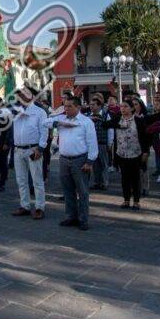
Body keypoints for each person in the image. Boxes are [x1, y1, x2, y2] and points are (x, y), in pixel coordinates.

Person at [49, 96, 98, 228]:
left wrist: (90, 161)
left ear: (78, 107)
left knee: (82, 191)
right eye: (65, 106)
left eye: (69, 106)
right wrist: (57, 121)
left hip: (80, 159)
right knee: (67, 190)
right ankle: (71, 216)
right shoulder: (61, 119)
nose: (66, 109)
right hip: (64, 159)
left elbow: (92, 143)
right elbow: (44, 122)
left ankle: (83, 219)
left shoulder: (86, 122)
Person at [8, 88, 49, 220]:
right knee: (21, 180)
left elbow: (44, 132)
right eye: (19, 95)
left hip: (33, 149)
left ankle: (39, 207)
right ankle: (24, 205)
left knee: (37, 180)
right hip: (18, 149)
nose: (21, 97)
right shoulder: (16, 111)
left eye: (24, 94)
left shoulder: (39, 112)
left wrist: (41, 148)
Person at [109, 98, 150, 210]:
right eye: (121, 107)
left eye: (126, 106)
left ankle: (136, 201)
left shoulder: (139, 121)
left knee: (136, 178)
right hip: (121, 153)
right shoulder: (117, 120)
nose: (123, 109)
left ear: (132, 108)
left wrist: (146, 152)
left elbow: (146, 137)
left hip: (136, 153)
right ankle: (126, 200)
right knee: (124, 178)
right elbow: (105, 125)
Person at [87, 97, 112, 191]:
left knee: (104, 163)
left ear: (99, 106)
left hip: (102, 142)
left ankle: (105, 182)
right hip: (91, 144)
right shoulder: (88, 116)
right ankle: (96, 182)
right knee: (94, 164)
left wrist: (110, 142)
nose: (91, 107)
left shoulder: (106, 115)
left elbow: (110, 130)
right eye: (90, 105)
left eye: (93, 105)